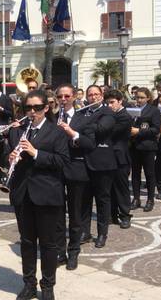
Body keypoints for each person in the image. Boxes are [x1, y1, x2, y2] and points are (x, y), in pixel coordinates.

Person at [7, 90, 69, 300]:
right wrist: (12, 158)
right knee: (27, 242)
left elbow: (62, 161)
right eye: (28, 108)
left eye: (37, 108)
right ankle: (29, 284)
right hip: (23, 193)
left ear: (46, 108)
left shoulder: (57, 132)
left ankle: (48, 285)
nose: (32, 112)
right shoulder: (18, 131)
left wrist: (36, 153)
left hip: (47, 194)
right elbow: (13, 159)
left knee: (48, 244)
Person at [56, 84, 95, 270]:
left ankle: (73, 251)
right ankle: (59, 251)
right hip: (55, 170)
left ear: (73, 97)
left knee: (75, 214)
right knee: (56, 213)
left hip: (76, 170)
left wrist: (73, 134)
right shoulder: (51, 118)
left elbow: (90, 144)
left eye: (66, 96)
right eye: (60, 97)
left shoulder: (83, 119)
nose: (63, 99)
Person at [79, 85, 117, 248]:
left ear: (102, 96)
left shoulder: (108, 112)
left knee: (102, 200)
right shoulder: (81, 112)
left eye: (96, 94)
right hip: (83, 162)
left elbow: (102, 129)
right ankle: (85, 231)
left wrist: (82, 127)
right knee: (84, 200)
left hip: (102, 163)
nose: (93, 97)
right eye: (90, 95)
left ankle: (102, 233)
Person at [129, 87, 160, 212]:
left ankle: (150, 199)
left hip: (147, 146)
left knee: (149, 174)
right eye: (137, 97)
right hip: (134, 146)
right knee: (135, 174)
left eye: (142, 97)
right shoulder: (132, 109)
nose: (139, 100)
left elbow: (156, 129)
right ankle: (136, 198)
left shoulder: (153, 111)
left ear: (148, 98)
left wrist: (139, 131)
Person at [104, 90, 132, 229]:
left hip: (120, 157)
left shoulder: (124, 116)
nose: (109, 105)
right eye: (107, 103)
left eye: (112, 102)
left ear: (120, 101)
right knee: (109, 187)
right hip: (108, 156)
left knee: (122, 188)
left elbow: (110, 132)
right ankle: (112, 214)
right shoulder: (109, 115)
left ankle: (125, 215)